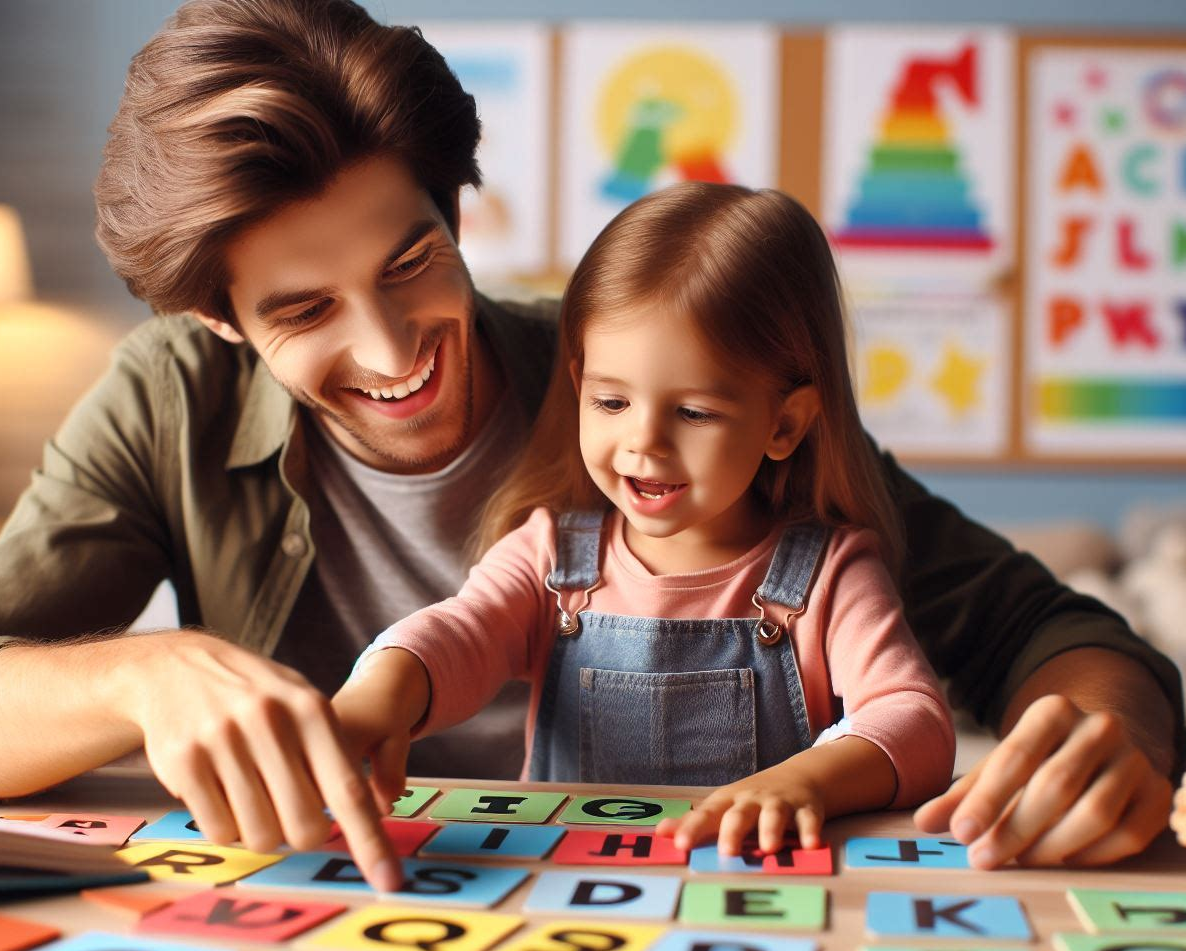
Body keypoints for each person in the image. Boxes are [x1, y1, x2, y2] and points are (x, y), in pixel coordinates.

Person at [0, 0, 1186, 894]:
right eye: (305, 312)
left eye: (413, 258)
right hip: (383, 922)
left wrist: (1104, 735)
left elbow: (1050, 631)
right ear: (219, 323)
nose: (392, 352)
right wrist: (143, 680)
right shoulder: (168, 400)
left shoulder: (634, 381)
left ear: (454, 209)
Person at [333, 183, 955, 856]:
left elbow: (914, 720)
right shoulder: (549, 555)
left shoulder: (831, 574)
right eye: (610, 402)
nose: (643, 444)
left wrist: (809, 781)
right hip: (570, 892)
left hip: (748, 894)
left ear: (784, 423)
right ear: (578, 385)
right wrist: (381, 692)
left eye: (692, 413)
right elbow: (461, 633)